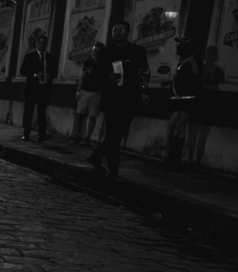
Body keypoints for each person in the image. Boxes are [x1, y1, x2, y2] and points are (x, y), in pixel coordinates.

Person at [88, 21, 151, 178]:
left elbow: (144, 72)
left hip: (130, 98)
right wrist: (107, 76)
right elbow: (94, 77)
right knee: (112, 134)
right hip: (112, 99)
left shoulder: (137, 51)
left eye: (121, 30)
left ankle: (96, 156)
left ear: (128, 32)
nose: (117, 33)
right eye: (114, 30)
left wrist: (143, 86)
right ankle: (113, 167)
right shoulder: (105, 54)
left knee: (118, 133)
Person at [164, 36, 200, 168]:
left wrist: (188, 98)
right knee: (175, 129)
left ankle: (175, 158)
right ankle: (173, 157)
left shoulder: (192, 63)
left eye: (181, 45)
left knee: (176, 127)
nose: (178, 47)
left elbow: (194, 83)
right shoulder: (183, 62)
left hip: (184, 102)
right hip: (178, 101)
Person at [19, 33, 55, 141]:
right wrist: (34, 74)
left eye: (44, 43)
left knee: (42, 112)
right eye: (40, 42)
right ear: (36, 43)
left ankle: (41, 134)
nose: (42, 45)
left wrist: (50, 75)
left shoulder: (50, 57)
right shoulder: (30, 56)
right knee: (29, 111)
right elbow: (23, 70)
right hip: (32, 87)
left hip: (44, 88)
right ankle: (26, 133)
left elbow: (55, 71)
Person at [71, 42, 107, 145]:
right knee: (79, 114)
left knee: (92, 116)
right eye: (94, 51)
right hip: (85, 91)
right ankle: (76, 136)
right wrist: (78, 91)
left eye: (98, 52)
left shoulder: (104, 64)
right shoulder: (89, 62)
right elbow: (82, 77)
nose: (95, 53)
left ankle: (87, 138)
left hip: (96, 92)